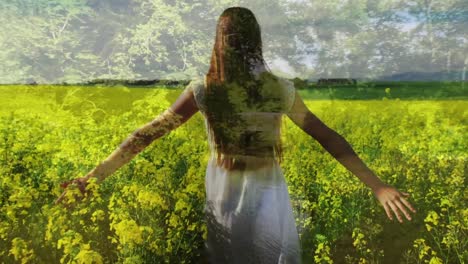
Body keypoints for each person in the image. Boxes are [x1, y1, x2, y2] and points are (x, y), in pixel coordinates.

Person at [55, 6, 417, 264]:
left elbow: (327, 137)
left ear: (252, 43)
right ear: (218, 42)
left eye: (238, 39)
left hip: (269, 200)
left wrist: (377, 185)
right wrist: (92, 178)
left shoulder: (279, 90)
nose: (233, 45)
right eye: (228, 38)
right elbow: (146, 135)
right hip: (224, 201)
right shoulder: (204, 90)